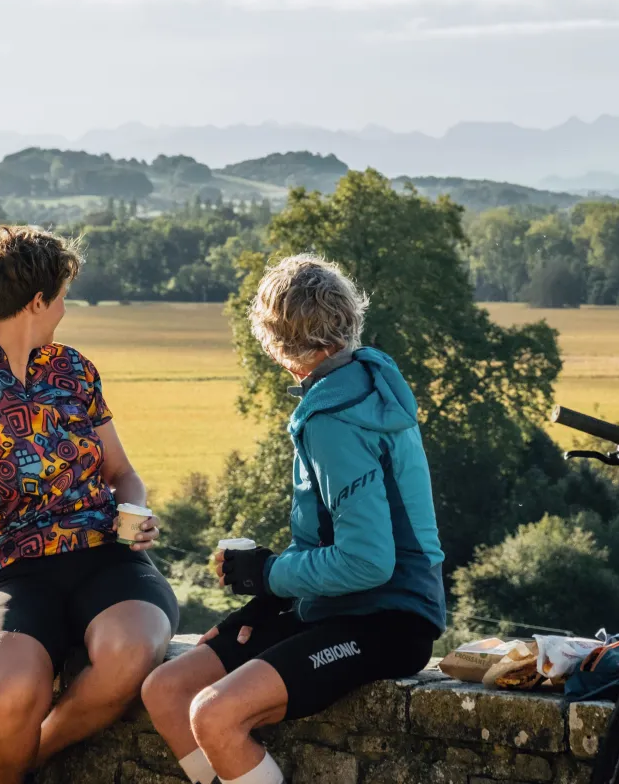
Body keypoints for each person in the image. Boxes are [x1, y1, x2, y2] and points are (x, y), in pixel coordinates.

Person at [142, 254, 445, 784]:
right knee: (165, 689)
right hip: (335, 605)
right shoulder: (360, 378)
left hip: (389, 618)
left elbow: (369, 561)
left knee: (214, 713)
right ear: (348, 319)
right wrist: (268, 601)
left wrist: (266, 573)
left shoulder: (335, 420)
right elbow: (327, 539)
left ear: (278, 345)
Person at [0, 225, 179, 784]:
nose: (64, 307)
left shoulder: (73, 370)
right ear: (38, 302)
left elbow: (122, 474)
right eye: (60, 296)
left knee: (131, 653)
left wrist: (135, 517)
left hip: (110, 557)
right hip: (18, 572)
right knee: (6, 696)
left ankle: (22, 759)